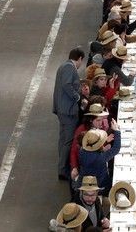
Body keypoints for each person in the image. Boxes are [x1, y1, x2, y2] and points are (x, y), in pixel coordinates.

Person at [53, 47, 86, 181]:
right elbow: (67, 85)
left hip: (63, 109)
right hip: (67, 110)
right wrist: (77, 97)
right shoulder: (69, 68)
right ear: (79, 59)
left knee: (63, 139)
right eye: (81, 62)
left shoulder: (64, 66)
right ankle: (63, 170)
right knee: (67, 141)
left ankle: (62, 166)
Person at [79, 124, 121, 191]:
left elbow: (93, 149)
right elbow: (116, 149)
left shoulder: (82, 151)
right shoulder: (100, 157)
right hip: (101, 184)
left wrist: (105, 144)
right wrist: (117, 131)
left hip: (86, 180)